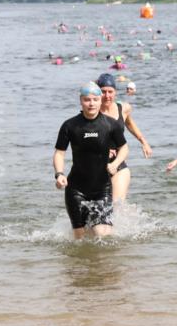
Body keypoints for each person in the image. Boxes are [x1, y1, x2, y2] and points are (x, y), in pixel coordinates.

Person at [53, 82, 128, 239]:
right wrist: (59, 174)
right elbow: (59, 153)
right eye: (87, 100)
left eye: (95, 99)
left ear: (100, 100)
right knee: (80, 239)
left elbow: (124, 148)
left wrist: (114, 164)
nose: (91, 103)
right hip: (76, 190)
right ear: (81, 101)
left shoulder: (110, 125)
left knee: (102, 234)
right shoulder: (70, 125)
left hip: (102, 189)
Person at [96, 73, 152, 202]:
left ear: (115, 92)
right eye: (103, 92)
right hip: (96, 166)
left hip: (118, 164)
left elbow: (130, 124)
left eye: (110, 91)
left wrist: (144, 142)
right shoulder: (93, 112)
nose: (107, 96)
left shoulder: (124, 108)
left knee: (116, 205)